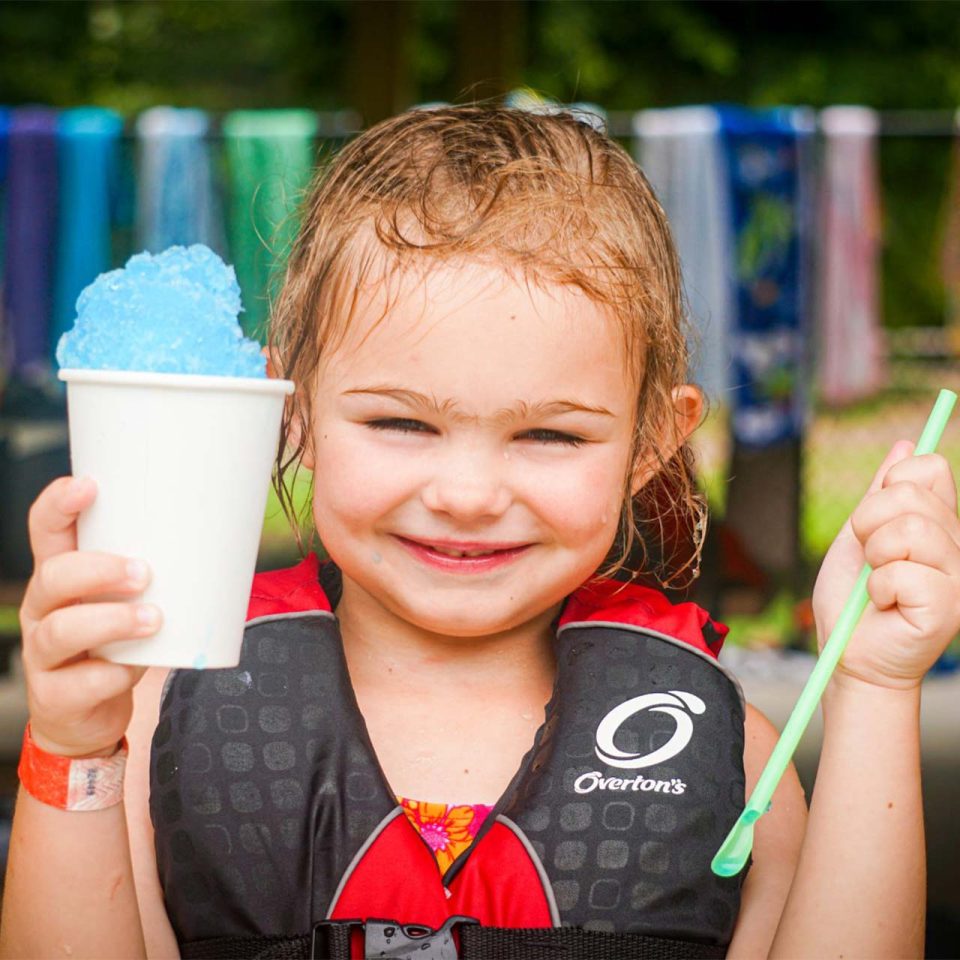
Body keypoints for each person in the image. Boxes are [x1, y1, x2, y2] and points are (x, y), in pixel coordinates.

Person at [2, 105, 958, 960]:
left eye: (549, 434)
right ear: (288, 411)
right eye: (400, 423)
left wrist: (875, 689)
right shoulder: (156, 720)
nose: (466, 494)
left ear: (650, 444)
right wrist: (73, 745)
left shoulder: (728, 753)